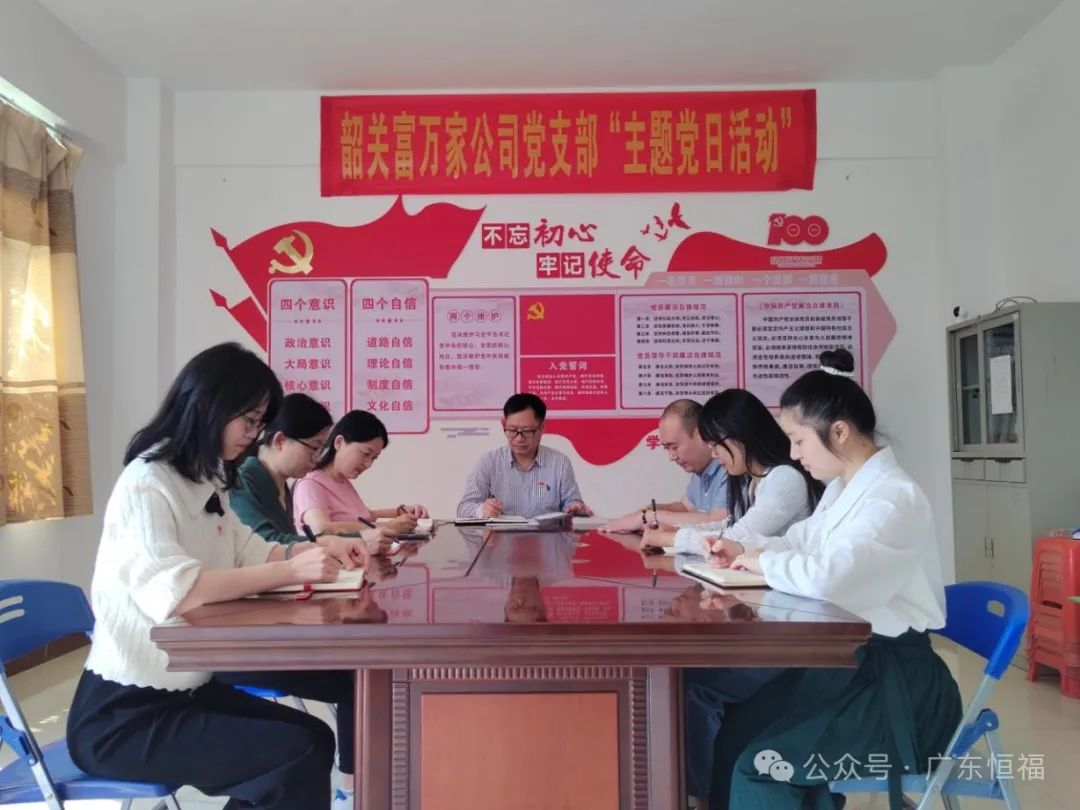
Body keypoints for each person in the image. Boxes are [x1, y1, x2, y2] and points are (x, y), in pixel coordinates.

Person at [66, 342, 373, 810]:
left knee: (312, 739)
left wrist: (318, 549)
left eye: (259, 422)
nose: (253, 434)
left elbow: (250, 550)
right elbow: (178, 592)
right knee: (295, 754)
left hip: (188, 689)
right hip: (122, 716)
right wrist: (290, 568)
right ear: (207, 405)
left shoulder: (206, 478)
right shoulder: (147, 482)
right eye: (248, 420)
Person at [705, 349, 962, 810]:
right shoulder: (846, 490)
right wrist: (745, 551)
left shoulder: (893, 499)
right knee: (735, 734)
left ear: (838, 431)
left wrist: (761, 563)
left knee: (760, 767)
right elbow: (802, 541)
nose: (793, 454)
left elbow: (830, 577)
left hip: (896, 688)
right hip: (850, 667)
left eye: (799, 440)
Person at [638, 388, 824, 808]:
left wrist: (674, 538)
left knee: (695, 685)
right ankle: (691, 786)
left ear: (737, 437)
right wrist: (677, 536)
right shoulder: (755, 481)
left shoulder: (785, 480)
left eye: (716, 445)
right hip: (763, 618)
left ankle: (700, 795)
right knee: (687, 674)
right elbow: (727, 532)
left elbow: (737, 538)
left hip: (789, 631)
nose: (715, 456)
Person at [225, 393, 389, 803]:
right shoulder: (247, 478)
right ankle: (351, 789)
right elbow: (268, 544)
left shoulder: (279, 483)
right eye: (314, 447)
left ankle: (359, 782)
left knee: (359, 671)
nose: (318, 457)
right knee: (356, 676)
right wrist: (331, 545)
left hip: (273, 613)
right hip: (246, 632)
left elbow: (284, 543)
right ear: (280, 440)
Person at [457, 392, 593, 518]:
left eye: (527, 431)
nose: (519, 438)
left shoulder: (560, 463)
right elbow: (464, 509)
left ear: (542, 428)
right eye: (512, 430)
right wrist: (482, 510)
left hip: (546, 536)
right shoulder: (488, 462)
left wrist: (576, 507)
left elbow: (572, 502)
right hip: (501, 536)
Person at [293, 409, 427, 537]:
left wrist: (401, 511)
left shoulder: (341, 481)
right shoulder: (310, 483)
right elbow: (321, 529)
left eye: (374, 458)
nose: (368, 464)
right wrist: (389, 526)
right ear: (339, 442)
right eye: (365, 453)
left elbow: (366, 516)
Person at [601, 399, 730, 532]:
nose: (671, 457)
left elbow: (718, 521)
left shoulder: (729, 467)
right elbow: (686, 508)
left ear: (701, 434)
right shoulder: (700, 470)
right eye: (667, 448)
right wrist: (651, 510)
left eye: (674, 447)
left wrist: (650, 517)